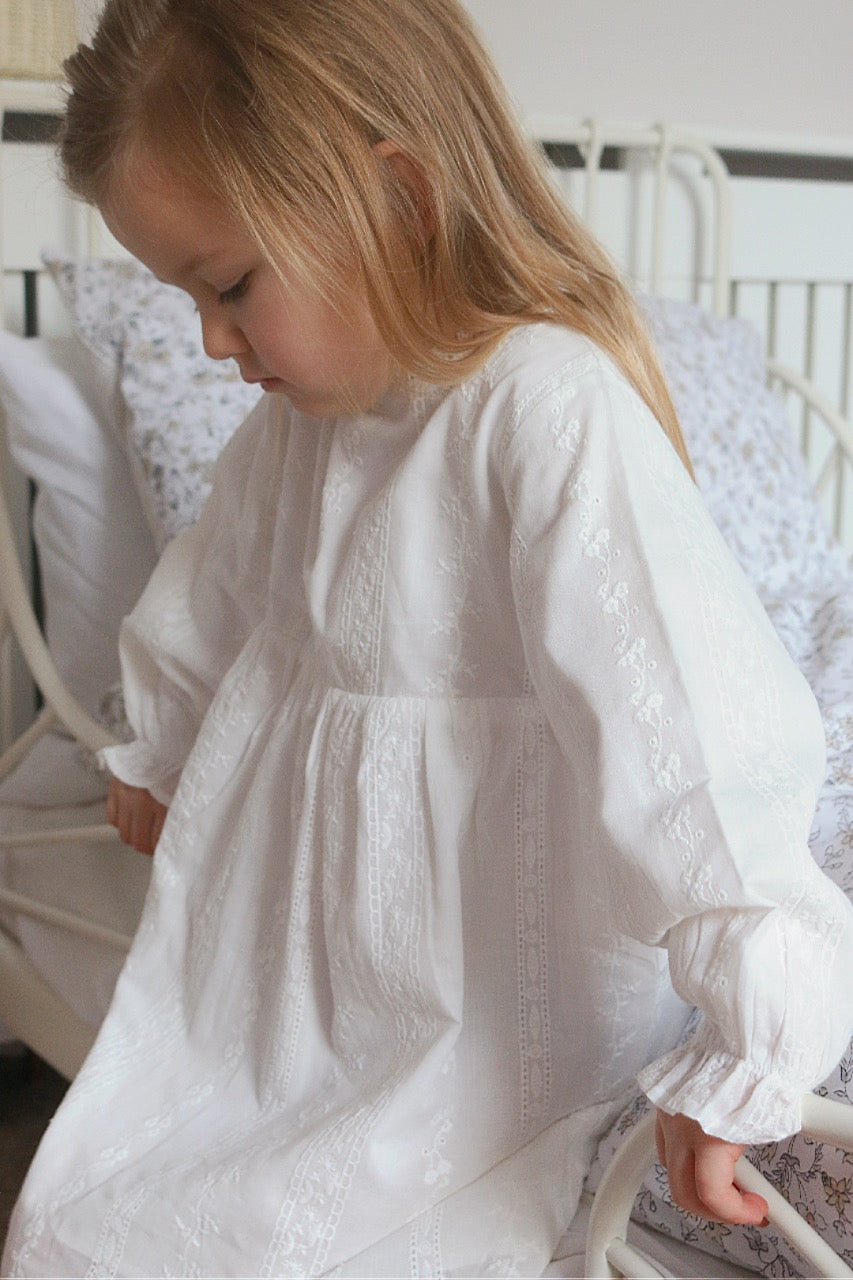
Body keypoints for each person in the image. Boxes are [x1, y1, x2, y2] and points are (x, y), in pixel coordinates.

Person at [4, 0, 853, 1274]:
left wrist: (747, 1037)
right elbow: (211, 592)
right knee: (97, 1216)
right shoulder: (302, 427)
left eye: (229, 285)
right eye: (186, 298)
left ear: (395, 199)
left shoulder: (541, 404)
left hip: (497, 986)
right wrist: (161, 743)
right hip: (321, 969)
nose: (213, 342)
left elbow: (690, 733)